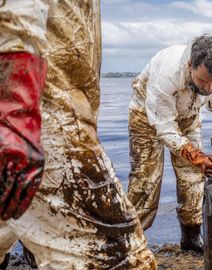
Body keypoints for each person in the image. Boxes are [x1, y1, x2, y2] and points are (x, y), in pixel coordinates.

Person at [0, 1, 156, 269]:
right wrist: (17, 107)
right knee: (118, 253)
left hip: (56, 106)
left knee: (12, 215)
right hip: (41, 106)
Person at [127, 34, 212, 253]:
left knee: (193, 177)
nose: (208, 89)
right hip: (146, 117)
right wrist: (196, 154)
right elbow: (164, 125)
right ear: (190, 65)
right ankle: (129, 240)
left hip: (188, 116)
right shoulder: (167, 72)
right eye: (202, 81)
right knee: (146, 180)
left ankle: (190, 239)